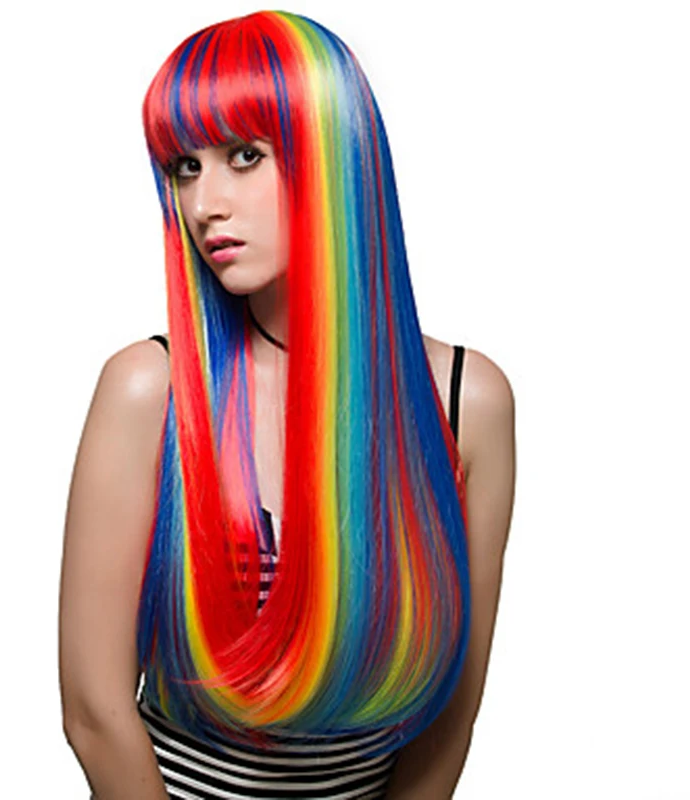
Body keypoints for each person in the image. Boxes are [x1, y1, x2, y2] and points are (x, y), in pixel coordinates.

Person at [59, 10, 516, 800]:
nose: (204, 204)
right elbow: (95, 714)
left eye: (244, 155)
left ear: (337, 156)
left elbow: (451, 713)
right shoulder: (149, 392)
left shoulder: (466, 404)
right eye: (184, 167)